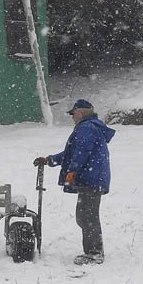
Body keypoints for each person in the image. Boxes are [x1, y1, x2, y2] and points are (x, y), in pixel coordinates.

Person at [34, 99, 115, 265]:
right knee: (84, 216)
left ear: (82, 112)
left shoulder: (87, 128)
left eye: (73, 113)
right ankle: (94, 251)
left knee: (87, 216)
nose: (72, 117)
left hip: (91, 179)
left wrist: (72, 172)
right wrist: (49, 160)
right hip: (92, 179)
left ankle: (94, 253)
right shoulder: (89, 127)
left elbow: (80, 153)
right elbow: (71, 153)